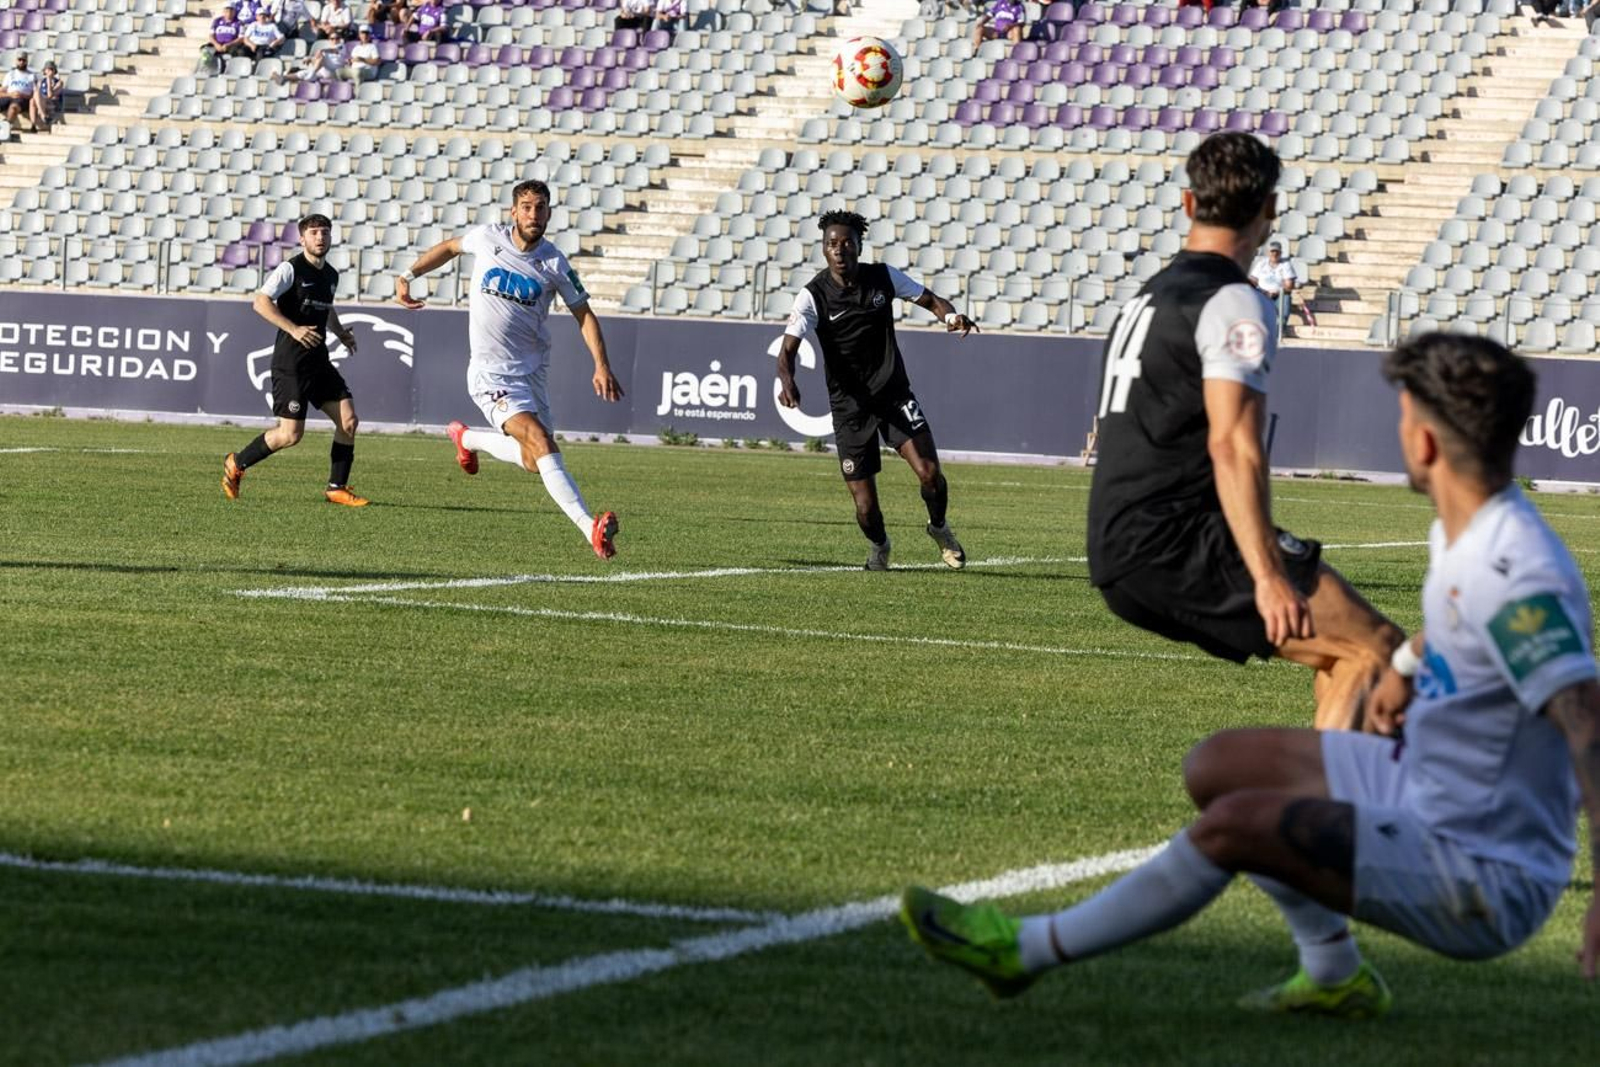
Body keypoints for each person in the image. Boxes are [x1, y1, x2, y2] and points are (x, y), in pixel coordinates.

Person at [905, 332, 1600, 1016]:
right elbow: (1463, 613)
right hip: (1428, 781)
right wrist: (1408, 666)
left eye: (1404, 413)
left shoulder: (1513, 567)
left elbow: (1586, 714)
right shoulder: (1472, 526)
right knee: (1218, 766)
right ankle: (1335, 973)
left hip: (1485, 869)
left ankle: (1024, 951)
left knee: (1237, 824)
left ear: (1423, 441)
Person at [1085, 132, 1403, 731]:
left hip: (1118, 541)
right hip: (1175, 540)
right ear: (1270, 211)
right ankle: (1317, 820)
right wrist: (1268, 577)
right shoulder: (1234, 301)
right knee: (1379, 650)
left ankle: (1333, 813)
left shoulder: (1146, 297)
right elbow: (1233, 445)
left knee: (1348, 659)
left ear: (1187, 204)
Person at [393, 180, 625, 560]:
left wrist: (601, 365)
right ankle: (591, 529)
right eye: (527, 207)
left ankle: (467, 440)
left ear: (550, 213)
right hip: (490, 375)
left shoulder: (553, 263)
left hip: (531, 374)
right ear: (513, 212)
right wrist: (408, 277)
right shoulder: (487, 238)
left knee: (536, 460)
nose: (534, 215)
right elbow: (450, 247)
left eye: (541, 208)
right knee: (541, 442)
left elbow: (583, 313)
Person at [775, 210, 977, 572]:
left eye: (847, 243)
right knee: (865, 508)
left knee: (930, 473)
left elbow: (930, 300)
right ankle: (879, 546)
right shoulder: (812, 296)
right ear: (823, 250)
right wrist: (787, 381)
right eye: (831, 244)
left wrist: (950, 317)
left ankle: (939, 528)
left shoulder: (883, 277)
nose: (839, 250)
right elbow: (787, 350)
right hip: (850, 408)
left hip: (894, 395)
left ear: (859, 246)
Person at [223, 214, 369, 507]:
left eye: (325, 232)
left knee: (349, 421)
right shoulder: (290, 269)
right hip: (291, 363)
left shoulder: (331, 275)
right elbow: (260, 302)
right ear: (302, 239)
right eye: (314, 233)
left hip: (319, 361)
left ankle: (336, 487)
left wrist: (339, 332)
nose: (320, 238)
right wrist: (293, 328)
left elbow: (326, 307)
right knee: (290, 435)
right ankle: (236, 463)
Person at [1249, 240, 1301, 336]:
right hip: (1262, 292)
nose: (1274, 254)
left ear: (1280, 253)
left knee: (1285, 300)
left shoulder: (1286, 265)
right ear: (1268, 253)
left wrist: (1277, 291)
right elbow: (1253, 280)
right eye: (1272, 252)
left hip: (1279, 293)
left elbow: (1289, 285)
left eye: (1276, 252)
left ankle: (1280, 330)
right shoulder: (1262, 264)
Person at [202, 2, 247, 72]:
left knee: (237, 52)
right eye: (226, 10)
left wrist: (228, 45)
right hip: (217, 44)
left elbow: (241, 38)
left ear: (234, 11)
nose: (228, 13)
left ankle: (231, 71)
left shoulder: (239, 23)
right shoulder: (217, 21)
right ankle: (208, 69)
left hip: (231, 45)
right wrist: (216, 45)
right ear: (223, 11)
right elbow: (211, 36)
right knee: (205, 51)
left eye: (231, 11)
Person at [1, 55, 36, 132]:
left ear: (26, 61)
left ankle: (5, 127)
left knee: (14, 107)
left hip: (23, 98)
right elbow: (1, 91)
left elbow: (34, 94)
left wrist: (21, 95)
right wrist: (10, 94)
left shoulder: (32, 76)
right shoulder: (10, 74)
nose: (21, 62)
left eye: (23, 60)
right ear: (16, 61)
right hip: (9, 96)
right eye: (19, 60)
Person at [31, 60, 62, 132]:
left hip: (52, 103)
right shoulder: (41, 81)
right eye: (47, 69)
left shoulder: (59, 82)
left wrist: (49, 80)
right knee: (32, 100)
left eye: (51, 69)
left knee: (34, 98)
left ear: (54, 71)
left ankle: (40, 117)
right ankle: (37, 121)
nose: (49, 71)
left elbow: (50, 95)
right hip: (41, 102)